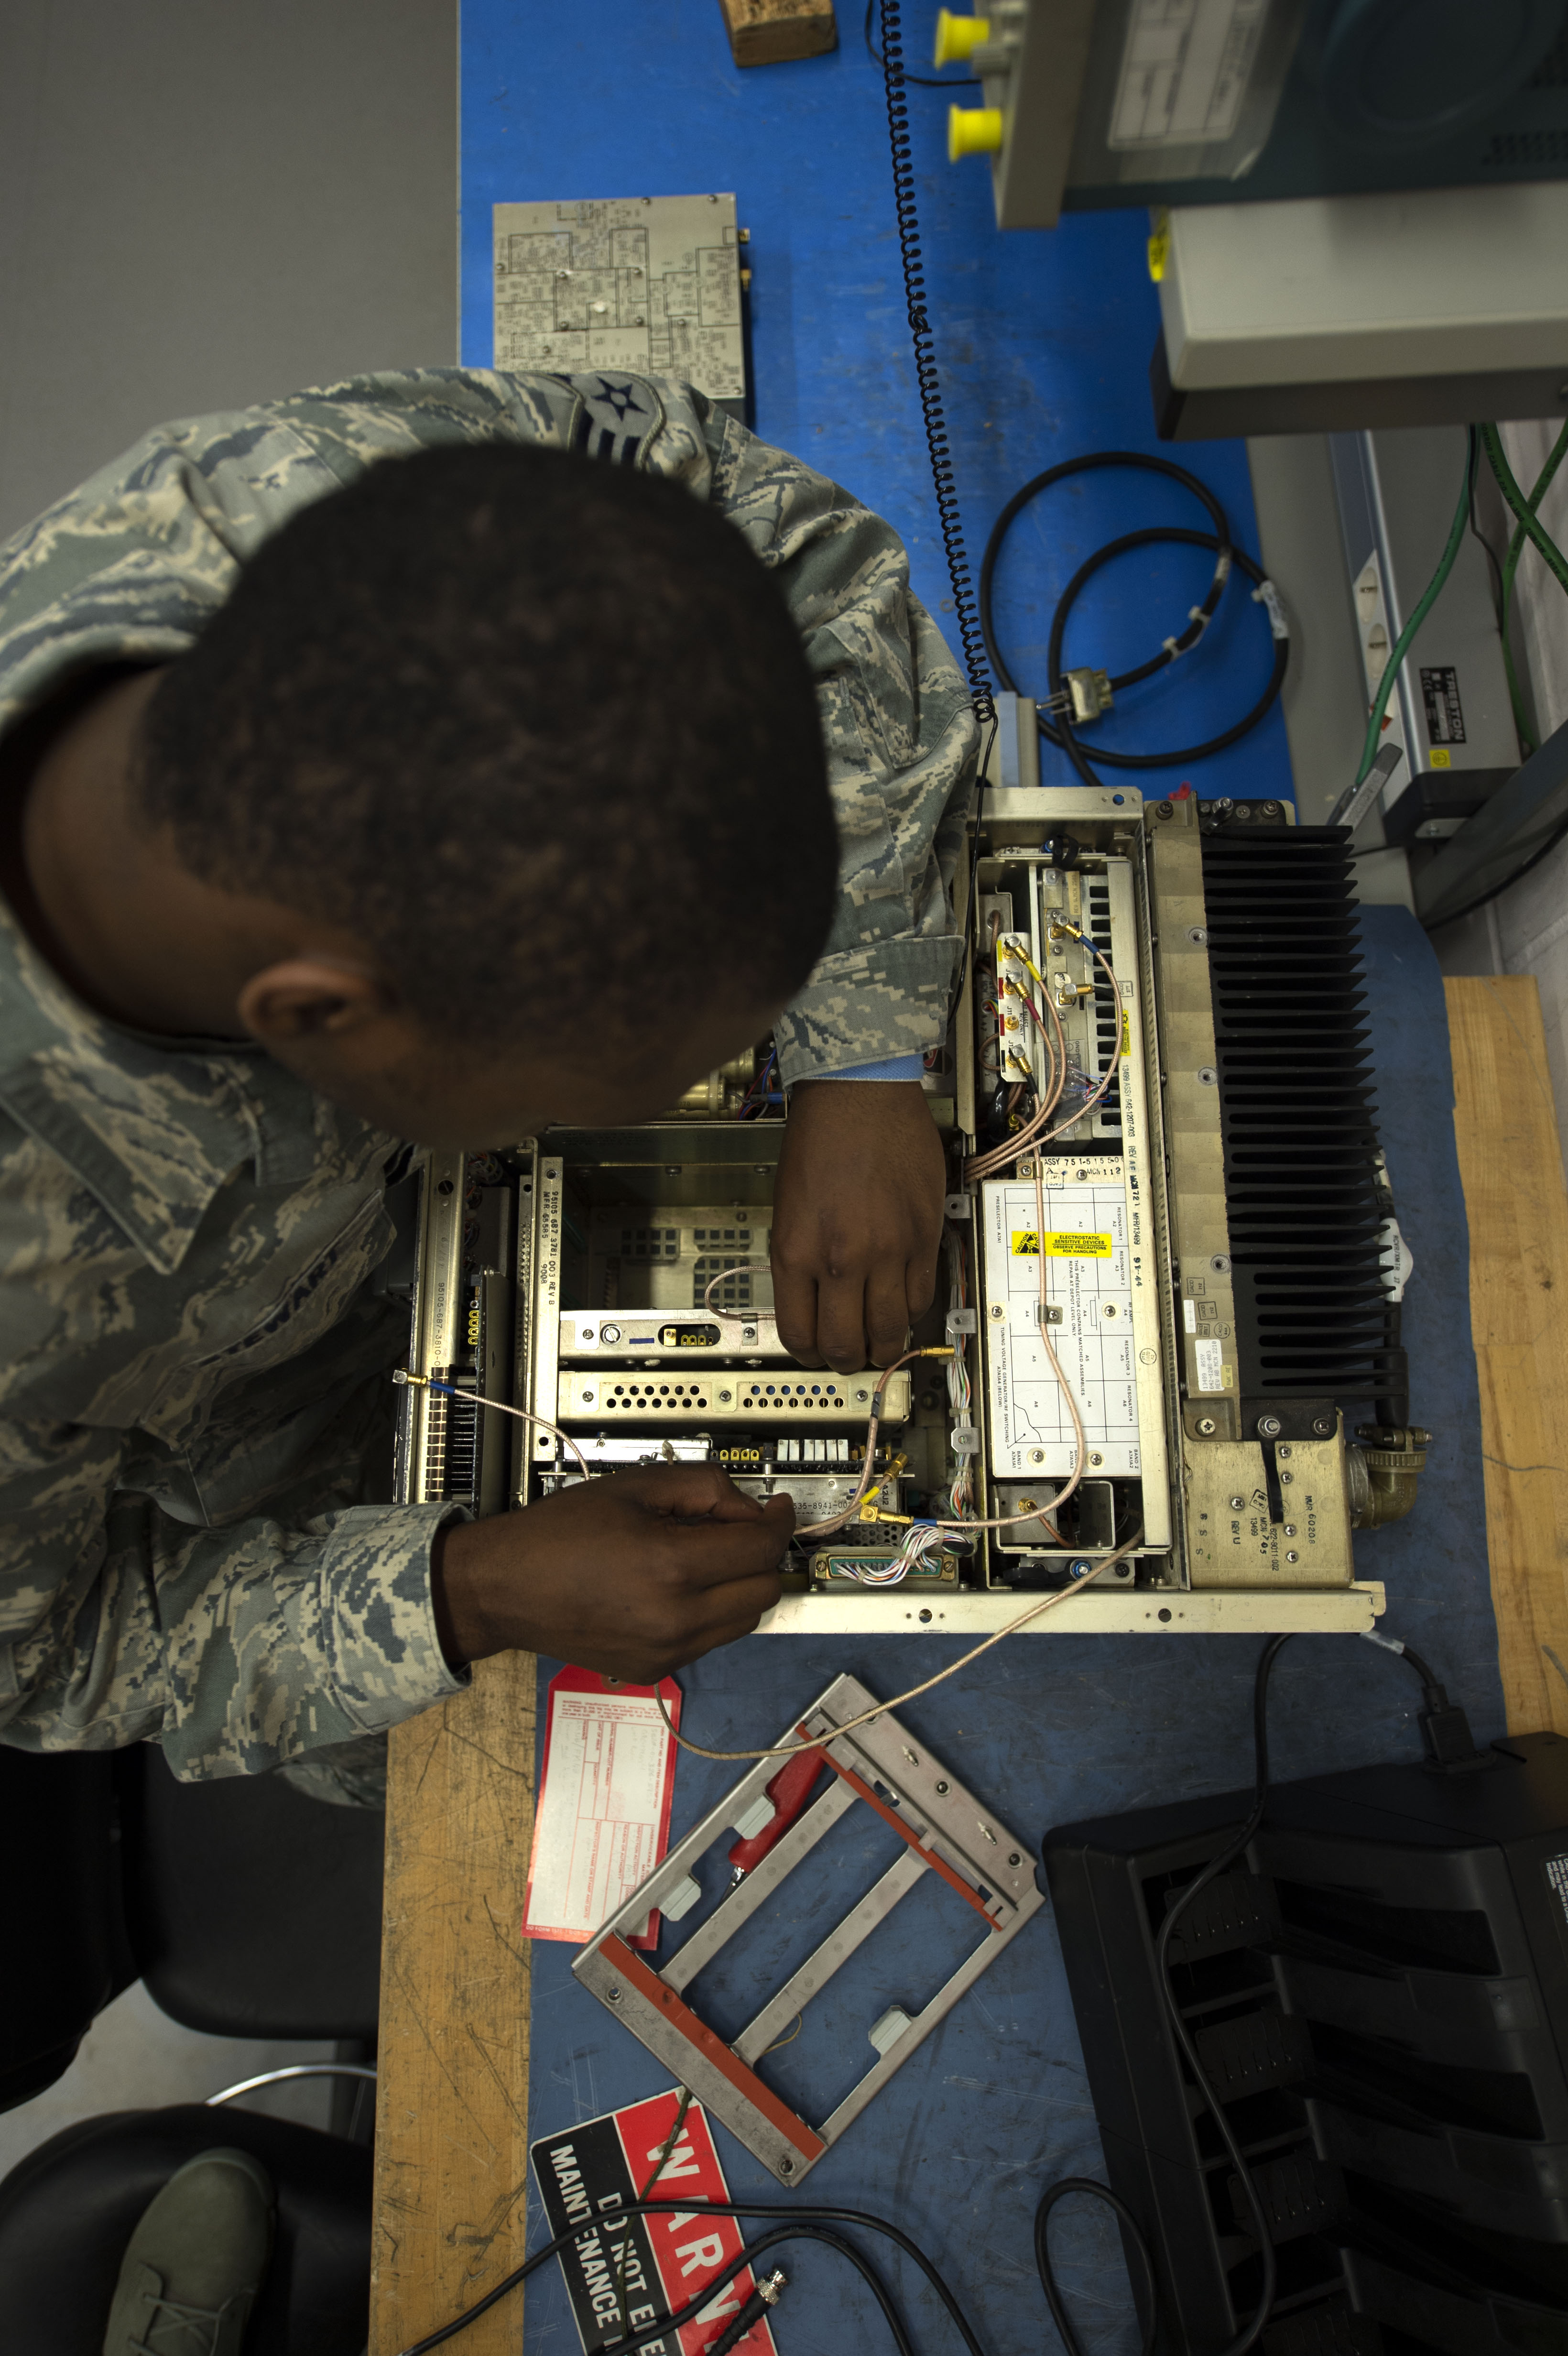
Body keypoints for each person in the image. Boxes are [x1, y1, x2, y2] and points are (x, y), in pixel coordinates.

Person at [0, 369, 975, 1804]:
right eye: (591, 1082)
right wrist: (464, 1594)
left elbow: (786, 540)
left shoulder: (322, 507)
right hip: (307, 1482)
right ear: (320, 1018)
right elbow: (47, 1658)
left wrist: (866, 1056)